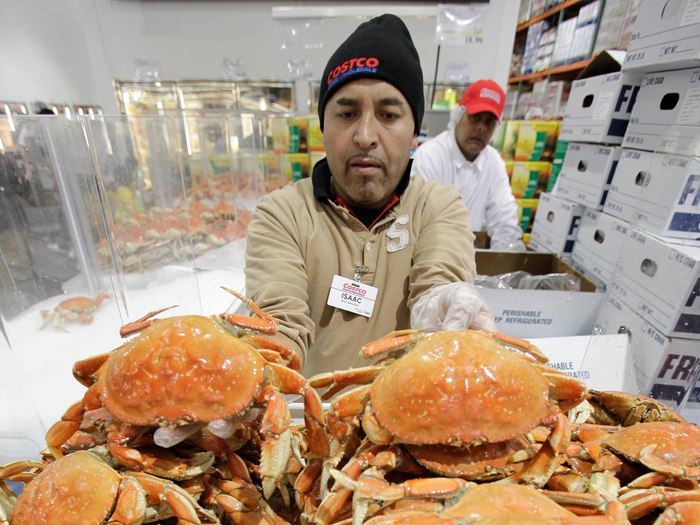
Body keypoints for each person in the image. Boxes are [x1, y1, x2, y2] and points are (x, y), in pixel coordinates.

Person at [244, 14, 495, 376]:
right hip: (307, 420)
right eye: (346, 113)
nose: (365, 135)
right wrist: (260, 373)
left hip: (410, 420)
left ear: (414, 136)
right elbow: (278, 322)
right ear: (323, 128)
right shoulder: (282, 213)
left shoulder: (438, 206)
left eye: (388, 115)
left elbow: (439, 279)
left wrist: (441, 303)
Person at [411, 80, 525, 251]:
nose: (481, 128)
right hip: (428, 257)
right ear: (458, 115)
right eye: (475, 117)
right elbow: (419, 224)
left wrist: (502, 264)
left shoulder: (494, 164)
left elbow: (504, 222)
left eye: (490, 122)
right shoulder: (430, 156)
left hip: (471, 263)